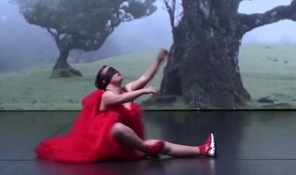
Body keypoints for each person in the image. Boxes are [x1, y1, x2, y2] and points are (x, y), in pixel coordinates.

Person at [35, 49, 216, 163]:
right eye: (111, 72)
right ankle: (146, 148)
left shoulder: (126, 88)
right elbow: (121, 100)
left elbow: (145, 78)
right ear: (106, 80)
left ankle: (203, 149)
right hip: (113, 144)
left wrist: (158, 60)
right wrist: (142, 92)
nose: (116, 72)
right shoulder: (105, 95)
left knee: (163, 146)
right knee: (117, 128)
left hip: (130, 145)